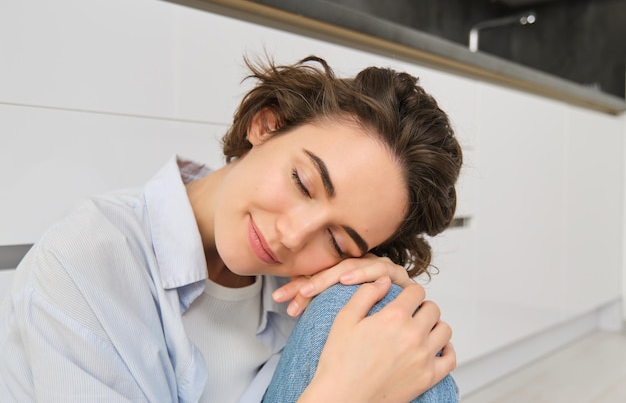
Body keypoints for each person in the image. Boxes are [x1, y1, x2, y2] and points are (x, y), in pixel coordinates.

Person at [0, 55, 462, 402]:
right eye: (303, 182)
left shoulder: (310, 292)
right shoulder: (86, 260)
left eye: (337, 240)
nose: (293, 234)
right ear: (266, 125)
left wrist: (383, 296)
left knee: (385, 314)